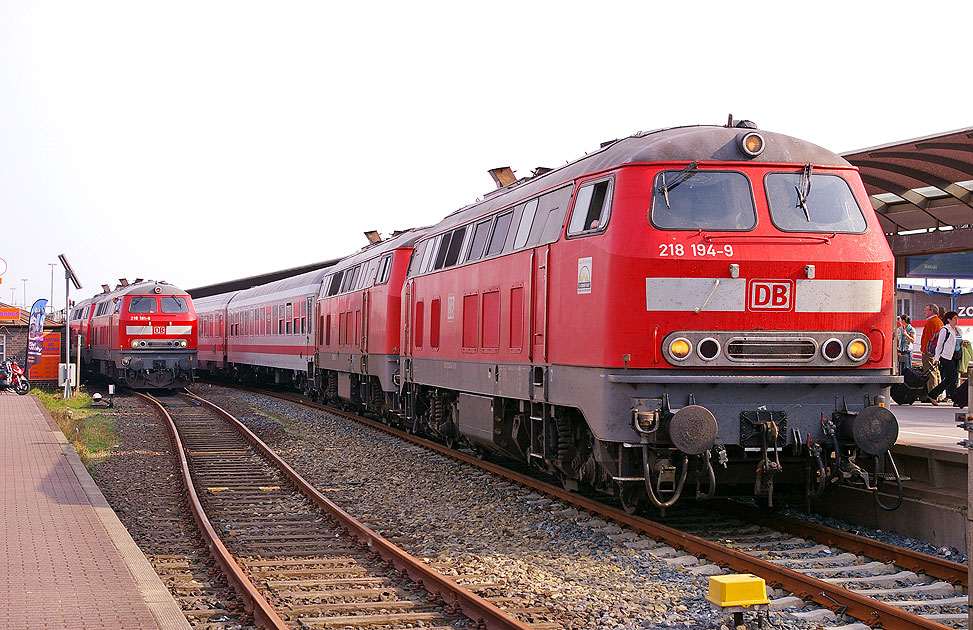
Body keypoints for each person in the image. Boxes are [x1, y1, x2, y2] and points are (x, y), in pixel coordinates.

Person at [927, 311, 963, 405]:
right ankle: (956, 400)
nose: (956, 320)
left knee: (949, 378)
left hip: (955, 356)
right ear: (949, 319)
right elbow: (939, 345)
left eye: (957, 318)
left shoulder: (958, 329)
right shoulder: (945, 329)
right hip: (946, 356)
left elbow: (959, 341)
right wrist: (937, 358)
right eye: (954, 318)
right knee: (953, 377)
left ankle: (933, 394)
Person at [920, 304, 943, 401]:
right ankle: (939, 394)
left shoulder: (931, 322)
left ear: (932, 311)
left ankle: (932, 394)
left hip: (929, 351)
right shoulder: (939, 322)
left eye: (927, 310)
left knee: (930, 372)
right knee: (936, 372)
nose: (925, 312)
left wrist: (924, 349)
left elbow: (928, 338)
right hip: (936, 351)